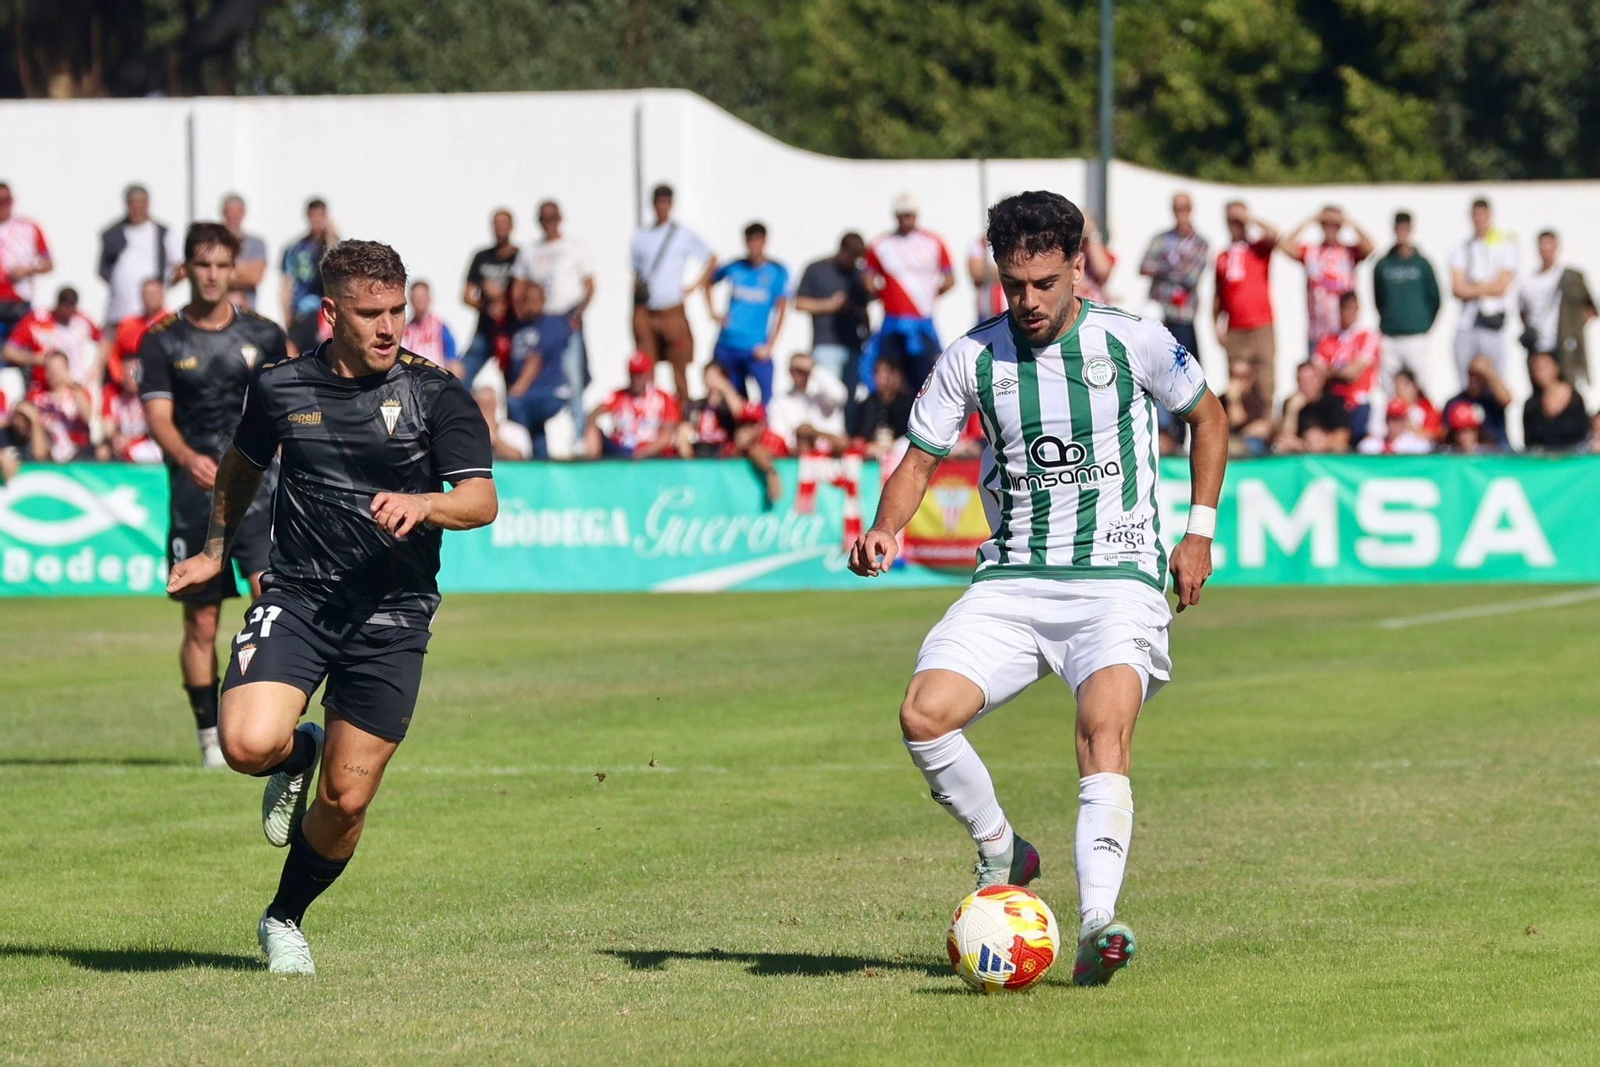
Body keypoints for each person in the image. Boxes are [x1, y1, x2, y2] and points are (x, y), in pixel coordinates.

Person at [849, 190, 1227, 988]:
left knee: (1102, 732)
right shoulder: (972, 357)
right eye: (1012, 285)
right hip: (1013, 581)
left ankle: (1097, 924)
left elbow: (1211, 417)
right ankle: (1001, 848)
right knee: (923, 714)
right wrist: (889, 527)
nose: (1026, 301)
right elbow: (918, 460)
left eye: (1044, 284)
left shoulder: (1133, 341)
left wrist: (1198, 530)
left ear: (1077, 267)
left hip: (1116, 580)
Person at [166, 239, 497, 976]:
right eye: (370, 313)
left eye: (397, 311)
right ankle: (298, 750)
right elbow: (240, 471)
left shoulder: (437, 393)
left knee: (346, 801)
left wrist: (425, 502)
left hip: (394, 613)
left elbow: (482, 499)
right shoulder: (282, 387)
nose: (388, 328)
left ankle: (284, 917)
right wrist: (217, 551)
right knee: (248, 744)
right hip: (299, 596)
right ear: (331, 313)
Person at [140, 223, 289, 768]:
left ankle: (265, 720)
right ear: (186, 269)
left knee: (268, 604)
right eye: (201, 265)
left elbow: (286, 407)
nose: (211, 275)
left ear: (235, 269)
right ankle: (209, 737)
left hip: (260, 493)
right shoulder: (161, 338)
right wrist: (189, 457)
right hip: (193, 498)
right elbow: (158, 417)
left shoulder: (266, 336)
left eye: (221, 265)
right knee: (201, 622)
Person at [513, 200, 595, 432]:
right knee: (536, 381)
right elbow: (518, 286)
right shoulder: (531, 250)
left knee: (574, 378)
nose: (549, 223)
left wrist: (579, 311)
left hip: (565, 320)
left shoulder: (574, 247)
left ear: (561, 219)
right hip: (539, 324)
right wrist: (522, 312)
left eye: (553, 218)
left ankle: (578, 435)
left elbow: (590, 285)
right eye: (544, 219)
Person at [632, 184, 716, 401]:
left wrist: (693, 286)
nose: (662, 207)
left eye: (666, 202)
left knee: (679, 364)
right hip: (647, 310)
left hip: (672, 309)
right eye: (659, 202)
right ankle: (649, 408)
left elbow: (711, 259)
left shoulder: (682, 234)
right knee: (646, 364)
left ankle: (684, 409)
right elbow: (636, 274)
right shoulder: (641, 237)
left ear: (671, 204)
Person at [863, 193, 954, 390]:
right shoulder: (880, 244)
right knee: (889, 374)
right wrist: (887, 296)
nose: (906, 220)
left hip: (924, 320)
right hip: (893, 320)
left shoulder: (934, 242)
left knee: (928, 373)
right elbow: (869, 281)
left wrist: (928, 295)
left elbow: (950, 279)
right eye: (902, 216)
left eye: (909, 215)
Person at [708, 222, 790, 403]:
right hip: (728, 344)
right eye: (751, 241)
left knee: (767, 398)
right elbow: (709, 281)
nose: (754, 245)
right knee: (732, 398)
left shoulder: (777, 271)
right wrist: (714, 313)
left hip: (755, 346)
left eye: (758, 240)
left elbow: (782, 309)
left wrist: (771, 344)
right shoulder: (735, 267)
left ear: (765, 242)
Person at [683, 361, 785, 504]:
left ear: (762, 424)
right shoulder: (731, 443)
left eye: (752, 424)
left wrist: (770, 470)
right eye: (744, 424)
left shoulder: (774, 439)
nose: (746, 428)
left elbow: (765, 452)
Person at [1279, 204, 1375, 355]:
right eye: (1326, 224)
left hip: (1345, 334)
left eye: (1335, 225)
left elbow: (1370, 247)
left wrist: (1348, 221)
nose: (1331, 228)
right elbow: (1285, 246)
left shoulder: (1349, 251)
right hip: (1318, 332)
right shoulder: (1311, 252)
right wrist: (1312, 219)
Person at [1212, 200, 1279, 409]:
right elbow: (1217, 296)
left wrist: (1249, 218)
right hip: (1235, 329)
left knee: (1264, 382)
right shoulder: (1222, 256)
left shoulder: (1258, 248)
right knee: (1237, 384)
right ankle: (1238, 428)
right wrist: (1216, 326)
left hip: (1261, 325)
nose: (1236, 223)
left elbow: (1275, 235)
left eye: (1238, 219)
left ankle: (1264, 427)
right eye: (1232, 219)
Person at [1371, 211, 1441, 396]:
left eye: (1405, 229)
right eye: (1398, 229)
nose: (1402, 233)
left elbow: (1435, 298)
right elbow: (1378, 298)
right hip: (1390, 335)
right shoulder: (1383, 265)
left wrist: (1423, 323)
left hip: (1416, 335)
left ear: (1411, 230)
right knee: (1388, 385)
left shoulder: (1422, 264)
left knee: (1422, 383)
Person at [795, 232, 872, 397]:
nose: (853, 262)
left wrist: (868, 334)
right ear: (842, 250)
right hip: (826, 344)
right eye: (851, 256)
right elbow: (799, 303)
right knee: (829, 396)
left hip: (853, 345)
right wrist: (829, 305)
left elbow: (864, 308)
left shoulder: (858, 275)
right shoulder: (817, 269)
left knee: (851, 397)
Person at [1449, 198, 1517, 382]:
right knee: (1465, 378)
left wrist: (1474, 287)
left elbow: (1501, 287)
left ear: (1490, 216)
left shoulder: (1505, 246)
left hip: (1491, 323)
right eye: (1476, 215)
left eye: (1483, 215)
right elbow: (1457, 288)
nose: (1479, 219)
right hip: (1467, 322)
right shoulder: (1461, 248)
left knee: (1496, 377)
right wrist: (1486, 287)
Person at [1138, 192, 1210, 363]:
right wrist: (1176, 267)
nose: (1181, 213)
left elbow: (1191, 277)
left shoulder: (1200, 242)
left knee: (1184, 365)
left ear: (1191, 210)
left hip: (1182, 315)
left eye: (1185, 208)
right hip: (1158, 313)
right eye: (1177, 209)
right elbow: (1144, 267)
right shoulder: (1161, 238)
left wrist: (1162, 266)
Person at [1519, 230, 1597, 386]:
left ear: (1556, 248)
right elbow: (1523, 311)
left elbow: (1591, 309)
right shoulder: (1529, 281)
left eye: (1549, 246)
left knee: (1568, 386)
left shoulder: (1571, 277)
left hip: (1564, 346)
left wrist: (1573, 328)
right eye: (1542, 247)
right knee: (1541, 391)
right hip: (1538, 346)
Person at [504, 281, 573, 458]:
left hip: (549, 392)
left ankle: (521, 454)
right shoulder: (519, 326)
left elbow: (536, 359)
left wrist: (518, 388)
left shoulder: (551, 324)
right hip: (531, 393)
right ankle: (540, 460)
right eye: (527, 300)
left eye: (536, 300)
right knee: (535, 428)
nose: (531, 304)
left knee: (515, 405)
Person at [98, 184, 183, 326]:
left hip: (152, 318)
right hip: (119, 314)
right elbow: (103, 270)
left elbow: (181, 267)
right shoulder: (112, 234)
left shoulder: (163, 233)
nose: (137, 209)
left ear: (148, 204)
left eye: (141, 203)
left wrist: (165, 285)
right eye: (133, 204)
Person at [460, 208, 521, 386]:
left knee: (513, 384)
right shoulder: (481, 257)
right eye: (496, 224)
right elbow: (466, 296)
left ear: (512, 227)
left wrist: (500, 295)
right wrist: (487, 306)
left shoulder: (521, 256)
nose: (500, 228)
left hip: (511, 331)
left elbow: (529, 294)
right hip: (485, 330)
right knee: (462, 378)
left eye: (504, 224)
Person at [1312, 291, 1380, 444]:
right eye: (1344, 308)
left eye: (1351, 308)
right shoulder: (1328, 338)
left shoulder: (1368, 336)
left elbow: (1353, 373)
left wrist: (1331, 370)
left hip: (1358, 401)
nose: (1348, 313)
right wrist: (1340, 371)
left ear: (1358, 309)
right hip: (1333, 400)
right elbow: (1316, 370)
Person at [585, 351, 681, 459]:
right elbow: (592, 415)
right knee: (592, 429)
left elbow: (668, 433)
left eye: (640, 374)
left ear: (649, 375)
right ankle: (592, 464)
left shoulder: (664, 398)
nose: (636, 379)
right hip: (621, 449)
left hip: (650, 451)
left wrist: (643, 453)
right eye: (633, 374)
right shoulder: (618, 396)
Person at [4, 286, 103, 389]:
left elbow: (105, 341)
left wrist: (97, 367)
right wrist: (37, 359)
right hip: (45, 388)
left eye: (71, 307)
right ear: (58, 304)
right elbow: (9, 352)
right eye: (65, 306)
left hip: (77, 386)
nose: (68, 312)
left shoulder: (82, 320)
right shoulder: (38, 320)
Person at [13, 351, 93, 461]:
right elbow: (22, 416)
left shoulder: (78, 393)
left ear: (67, 369)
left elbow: (87, 416)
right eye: (50, 369)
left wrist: (72, 385)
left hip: (78, 452)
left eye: (58, 368)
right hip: (48, 451)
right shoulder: (37, 395)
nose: (54, 373)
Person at [281, 198, 335, 356]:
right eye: (314, 215)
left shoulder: (333, 244)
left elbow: (335, 268)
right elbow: (287, 283)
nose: (317, 220)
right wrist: (287, 314)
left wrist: (331, 234)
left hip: (326, 314)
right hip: (302, 312)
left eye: (321, 215)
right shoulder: (295, 248)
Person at [0, 181, 53, 344]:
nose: (3, 206)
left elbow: (48, 263)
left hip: (20, 301)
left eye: (6, 201)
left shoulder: (28, 228)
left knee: (24, 349)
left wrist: (27, 270)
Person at [767, 352, 849, 454]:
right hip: (795, 457)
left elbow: (840, 395)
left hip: (830, 456)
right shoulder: (780, 401)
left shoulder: (823, 395)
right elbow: (778, 433)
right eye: (795, 370)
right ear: (789, 372)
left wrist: (815, 369)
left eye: (803, 371)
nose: (799, 374)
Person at [105, 277, 169, 387]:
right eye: (147, 294)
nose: (151, 298)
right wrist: (120, 377)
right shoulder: (128, 324)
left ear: (162, 295)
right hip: (130, 387)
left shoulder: (172, 322)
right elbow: (114, 354)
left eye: (154, 294)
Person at [1275, 361, 1350, 454]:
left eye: (1311, 380)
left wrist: (1320, 443)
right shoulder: (1291, 402)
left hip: (1327, 451)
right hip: (1300, 452)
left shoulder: (1334, 402)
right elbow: (1285, 437)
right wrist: (1292, 411)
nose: (1307, 385)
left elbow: (1342, 436)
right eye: (1302, 380)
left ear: (1321, 381)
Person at [100, 351, 162, 463]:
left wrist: (131, 440)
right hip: (121, 441)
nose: (130, 378)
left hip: (146, 442)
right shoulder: (112, 393)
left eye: (134, 373)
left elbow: (155, 426)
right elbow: (108, 426)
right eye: (126, 372)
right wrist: (116, 437)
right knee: (102, 451)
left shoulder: (151, 395)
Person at [1521, 351, 1589, 452]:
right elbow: (1530, 441)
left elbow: (1582, 432)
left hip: (1573, 458)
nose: (1540, 372)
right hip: (1544, 462)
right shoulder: (1531, 405)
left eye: (1544, 367)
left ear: (1556, 367)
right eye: (1536, 368)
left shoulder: (1575, 399)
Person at [1442, 355, 1511, 450]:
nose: (1475, 379)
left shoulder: (1494, 400)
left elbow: (1507, 400)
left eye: (1479, 375)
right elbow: (1445, 434)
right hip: (1463, 454)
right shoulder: (1455, 402)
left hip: (1497, 452)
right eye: (1472, 374)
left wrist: (1488, 372)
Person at [853, 353, 914, 458]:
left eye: (885, 374)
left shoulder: (906, 402)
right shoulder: (868, 403)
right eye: (878, 374)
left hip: (898, 448)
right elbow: (862, 433)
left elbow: (908, 432)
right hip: (874, 448)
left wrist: (892, 444)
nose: (881, 379)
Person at [220, 194, 268, 309]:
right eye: (229, 212)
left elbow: (255, 277)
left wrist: (226, 271)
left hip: (247, 310)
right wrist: (242, 269)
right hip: (219, 311)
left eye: (237, 213)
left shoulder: (257, 243)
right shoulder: (214, 244)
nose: (233, 217)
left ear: (243, 214)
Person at [400, 280, 458, 370]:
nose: (419, 301)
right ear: (410, 300)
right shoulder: (405, 332)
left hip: (436, 379)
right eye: (416, 297)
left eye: (422, 296)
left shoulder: (440, 329)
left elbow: (454, 363)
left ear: (429, 299)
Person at [1222, 357, 1273, 457]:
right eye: (1236, 376)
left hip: (1251, 446)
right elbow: (1235, 421)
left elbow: (1264, 428)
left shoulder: (1257, 399)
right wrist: (1234, 401)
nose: (1239, 381)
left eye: (1244, 376)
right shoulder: (1222, 400)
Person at [474, 385, 534, 461]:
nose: (483, 411)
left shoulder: (517, 431)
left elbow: (519, 459)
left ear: (496, 405)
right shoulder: (462, 432)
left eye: (488, 405)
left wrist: (494, 437)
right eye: (479, 405)